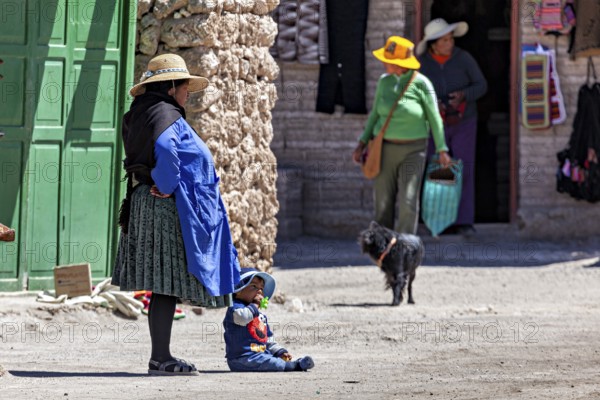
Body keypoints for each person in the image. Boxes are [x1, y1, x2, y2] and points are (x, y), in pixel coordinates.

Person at [112, 54, 241, 375]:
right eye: (185, 87)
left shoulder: (142, 113)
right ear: (170, 87)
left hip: (147, 201)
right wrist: (168, 184)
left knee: (162, 282)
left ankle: (161, 355)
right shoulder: (166, 115)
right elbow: (168, 151)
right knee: (165, 281)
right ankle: (161, 358)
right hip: (166, 206)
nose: (188, 93)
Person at [352, 36, 451, 235]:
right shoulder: (384, 82)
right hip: (384, 149)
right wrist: (362, 142)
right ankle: (382, 248)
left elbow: (434, 118)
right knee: (382, 201)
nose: (383, 63)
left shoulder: (422, 84)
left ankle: (405, 249)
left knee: (408, 201)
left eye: (387, 60)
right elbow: (374, 115)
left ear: (399, 64)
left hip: (413, 150)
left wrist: (442, 149)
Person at [417, 18, 488, 236]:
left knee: (463, 167)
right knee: (438, 168)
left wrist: (464, 95)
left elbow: (481, 85)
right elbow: (415, 92)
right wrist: (432, 103)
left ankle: (464, 221)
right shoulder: (423, 64)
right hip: (434, 122)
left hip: (464, 121)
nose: (450, 43)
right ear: (433, 44)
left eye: (450, 39)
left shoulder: (464, 59)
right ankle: (439, 220)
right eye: (445, 40)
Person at [223, 268, 315, 372]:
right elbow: (243, 318)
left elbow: (268, 339)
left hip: (261, 354)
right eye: (254, 286)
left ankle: (289, 362)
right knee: (270, 362)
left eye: (262, 288)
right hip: (242, 358)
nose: (259, 291)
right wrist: (255, 305)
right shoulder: (235, 308)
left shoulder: (259, 316)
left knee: (270, 359)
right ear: (238, 291)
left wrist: (279, 352)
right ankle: (294, 366)